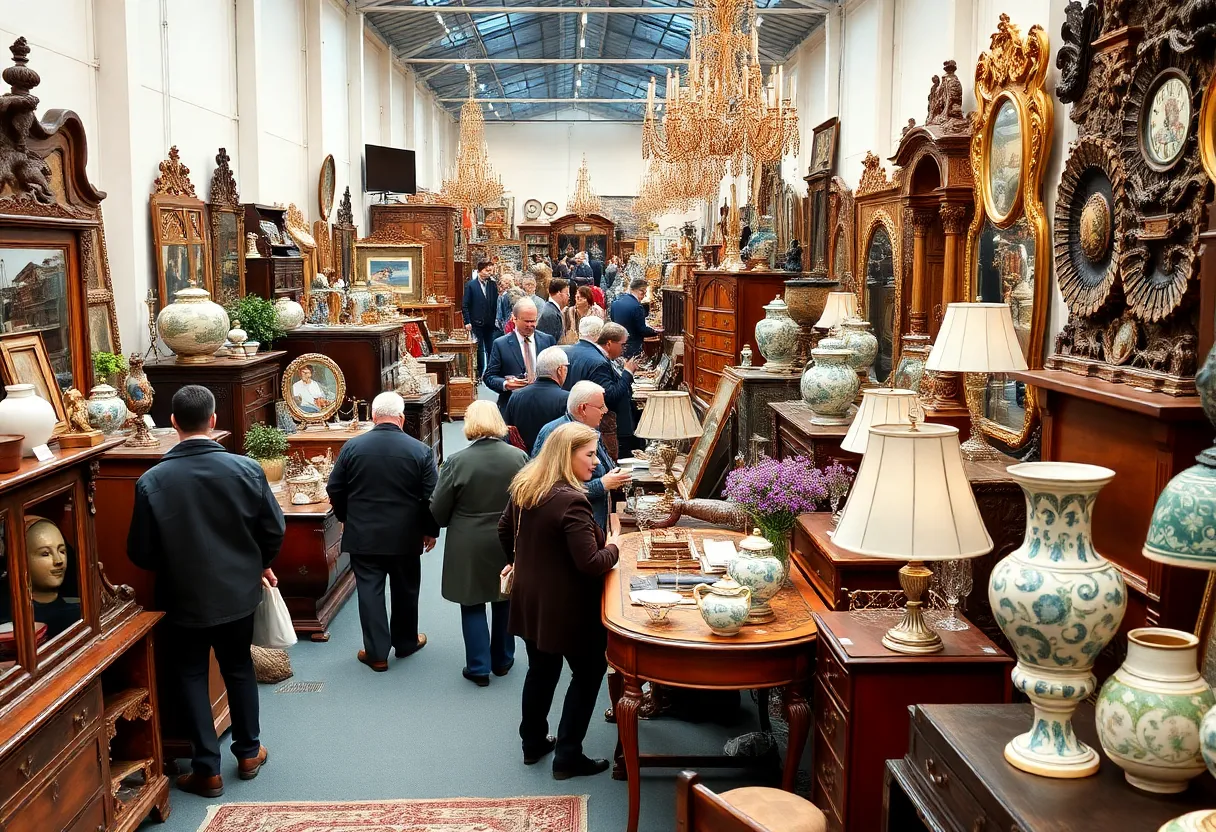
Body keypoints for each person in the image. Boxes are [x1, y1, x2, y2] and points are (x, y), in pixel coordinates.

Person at [128, 385, 284, 797]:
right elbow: (274, 529)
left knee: (192, 676)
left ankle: (206, 770)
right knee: (239, 668)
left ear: (173, 422)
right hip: (238, 592)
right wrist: (259, 564)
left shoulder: (151, 481)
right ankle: (249, 752)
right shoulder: (247, 469)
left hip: (182, 597)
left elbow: (140, 552)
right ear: (213, 420)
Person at [498, 422, 620, 779]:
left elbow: (505, 530)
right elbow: (591, 563)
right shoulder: (572, 502)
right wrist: (616, 546)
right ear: (567, 456)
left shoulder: (526, 486)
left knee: (541, 670)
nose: (596, 462)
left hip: (530, 600)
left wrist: (522, 562)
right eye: (589, 454)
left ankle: (533, 743)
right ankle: (568, 755)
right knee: (588, 672)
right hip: (569, 610)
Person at [326, 391, 439, 672]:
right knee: (405, 590)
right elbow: (431, 496)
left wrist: (345, 517)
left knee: (369, 593)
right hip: (406, 536)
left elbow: (334, 488)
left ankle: (376, 654)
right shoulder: (420, 450)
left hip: (364, 536)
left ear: (373, 417)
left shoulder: (352, 447)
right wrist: (429, 530)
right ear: (401, 418)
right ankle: (405, 643)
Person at [430, 401, 529, 686]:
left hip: (467, 541)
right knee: (504, 598)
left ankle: (478, 667)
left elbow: (438, 509)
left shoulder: (457, 461)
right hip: (507, 538)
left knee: (471, 602)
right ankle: (503, 660)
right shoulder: (519, 458)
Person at [532, 380, 630, 530]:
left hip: (590, 523)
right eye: (601, 406)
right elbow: (549, 489)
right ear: (583, 409)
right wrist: (602, 484)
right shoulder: (555, 434)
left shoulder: (590, 431)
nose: (605, 410)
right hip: (574, 528)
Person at [565, 319, 638, 459]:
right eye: (622, 345)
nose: (624, 349)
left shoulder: (572, 351)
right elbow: (610, 396)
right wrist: (627, 373)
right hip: (602, 425)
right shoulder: (599, 362)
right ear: (609, 343)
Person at [485, 298, 556, 415]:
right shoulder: (500, 344)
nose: (530, 325)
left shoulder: (547, 341)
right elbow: (489, 377)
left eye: (533, 321)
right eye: (526, 321)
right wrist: (505, 384)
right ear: (514, 318)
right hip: (512, 407)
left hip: (543, 406)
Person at [505, 346, 570, 453]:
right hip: (552, 461)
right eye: (566, 368)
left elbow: (509, 431)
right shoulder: (566, 399)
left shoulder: (516, 396)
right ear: (560, 370)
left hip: (523, 461)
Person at [462, 259, 499, 380]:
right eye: (487, 270)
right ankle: (479, 374)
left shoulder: (492, 285)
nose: (489, 273)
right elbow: (465, 304)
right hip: (476, 322)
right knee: (479, 349)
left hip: (490, 322)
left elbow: (495, 303)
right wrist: (467, 321)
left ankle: (491, 372)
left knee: (491, 348)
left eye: (491, 270)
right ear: (480, 270)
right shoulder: (470, 285)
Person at [610, 276, 658, 358]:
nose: (644, 296)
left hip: (618, 343)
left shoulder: (616, 302)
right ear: (641, 292)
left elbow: (612, 318)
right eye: (645, 293)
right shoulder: (637, 307)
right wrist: (655, 331)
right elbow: (642, 330)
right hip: (633, 345)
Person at [537, 277, 567, 342]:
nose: (569, 296)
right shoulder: (550, 314)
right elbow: (548, 342)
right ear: (559, 294)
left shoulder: (551, 309)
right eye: (567, 293)